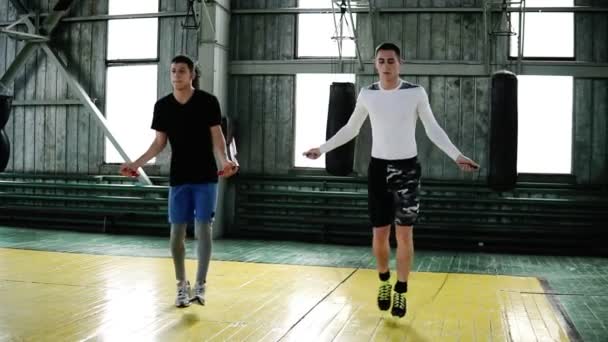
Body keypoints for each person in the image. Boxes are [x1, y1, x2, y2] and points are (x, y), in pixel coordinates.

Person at [303, 42, 479, 318]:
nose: (386, 66)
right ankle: (384, 280)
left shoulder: (415, 93)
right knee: (380, 234)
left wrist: (456, 155)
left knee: (405, 233)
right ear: (376, 64)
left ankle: (402, 288)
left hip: (407, 169)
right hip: (378, 170)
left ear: (400, 63)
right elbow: (351, 128)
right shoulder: (367, 94)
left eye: (391, 61)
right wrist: (322, 148)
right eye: (381, 61)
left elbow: (433, 129)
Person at [121, 55, 238, 308]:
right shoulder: (162, 106)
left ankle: (200, 285)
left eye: (182, 71)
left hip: (206, 176)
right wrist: (136, 163)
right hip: (179, 177)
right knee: (176, 237)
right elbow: (158, 144)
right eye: (173, 71)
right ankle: (181, 285)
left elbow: (217, 141)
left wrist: (225, 162)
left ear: (192, 74)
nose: (176, 75)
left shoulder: (208, 102)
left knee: (203, 229)